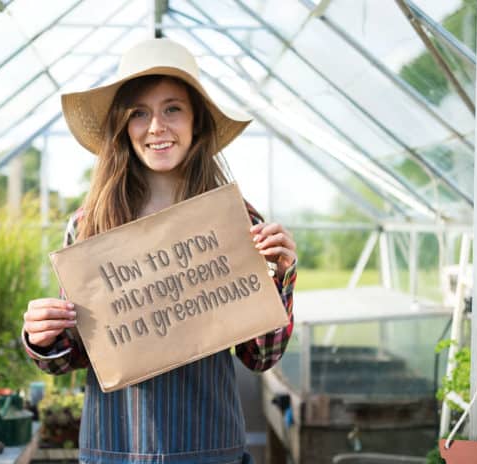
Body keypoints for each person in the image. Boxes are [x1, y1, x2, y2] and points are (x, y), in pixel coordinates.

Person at [22, 38, 297, 464]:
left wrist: (279, 279)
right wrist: (45, 337)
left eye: (172, 108)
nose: (156, 127)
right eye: (139, 113)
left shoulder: (237, 221)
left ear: (196, 122)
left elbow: (260, 356)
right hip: (115, 446)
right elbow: (77, 353)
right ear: (123, 126)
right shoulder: (89, 225)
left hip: (208, 446)